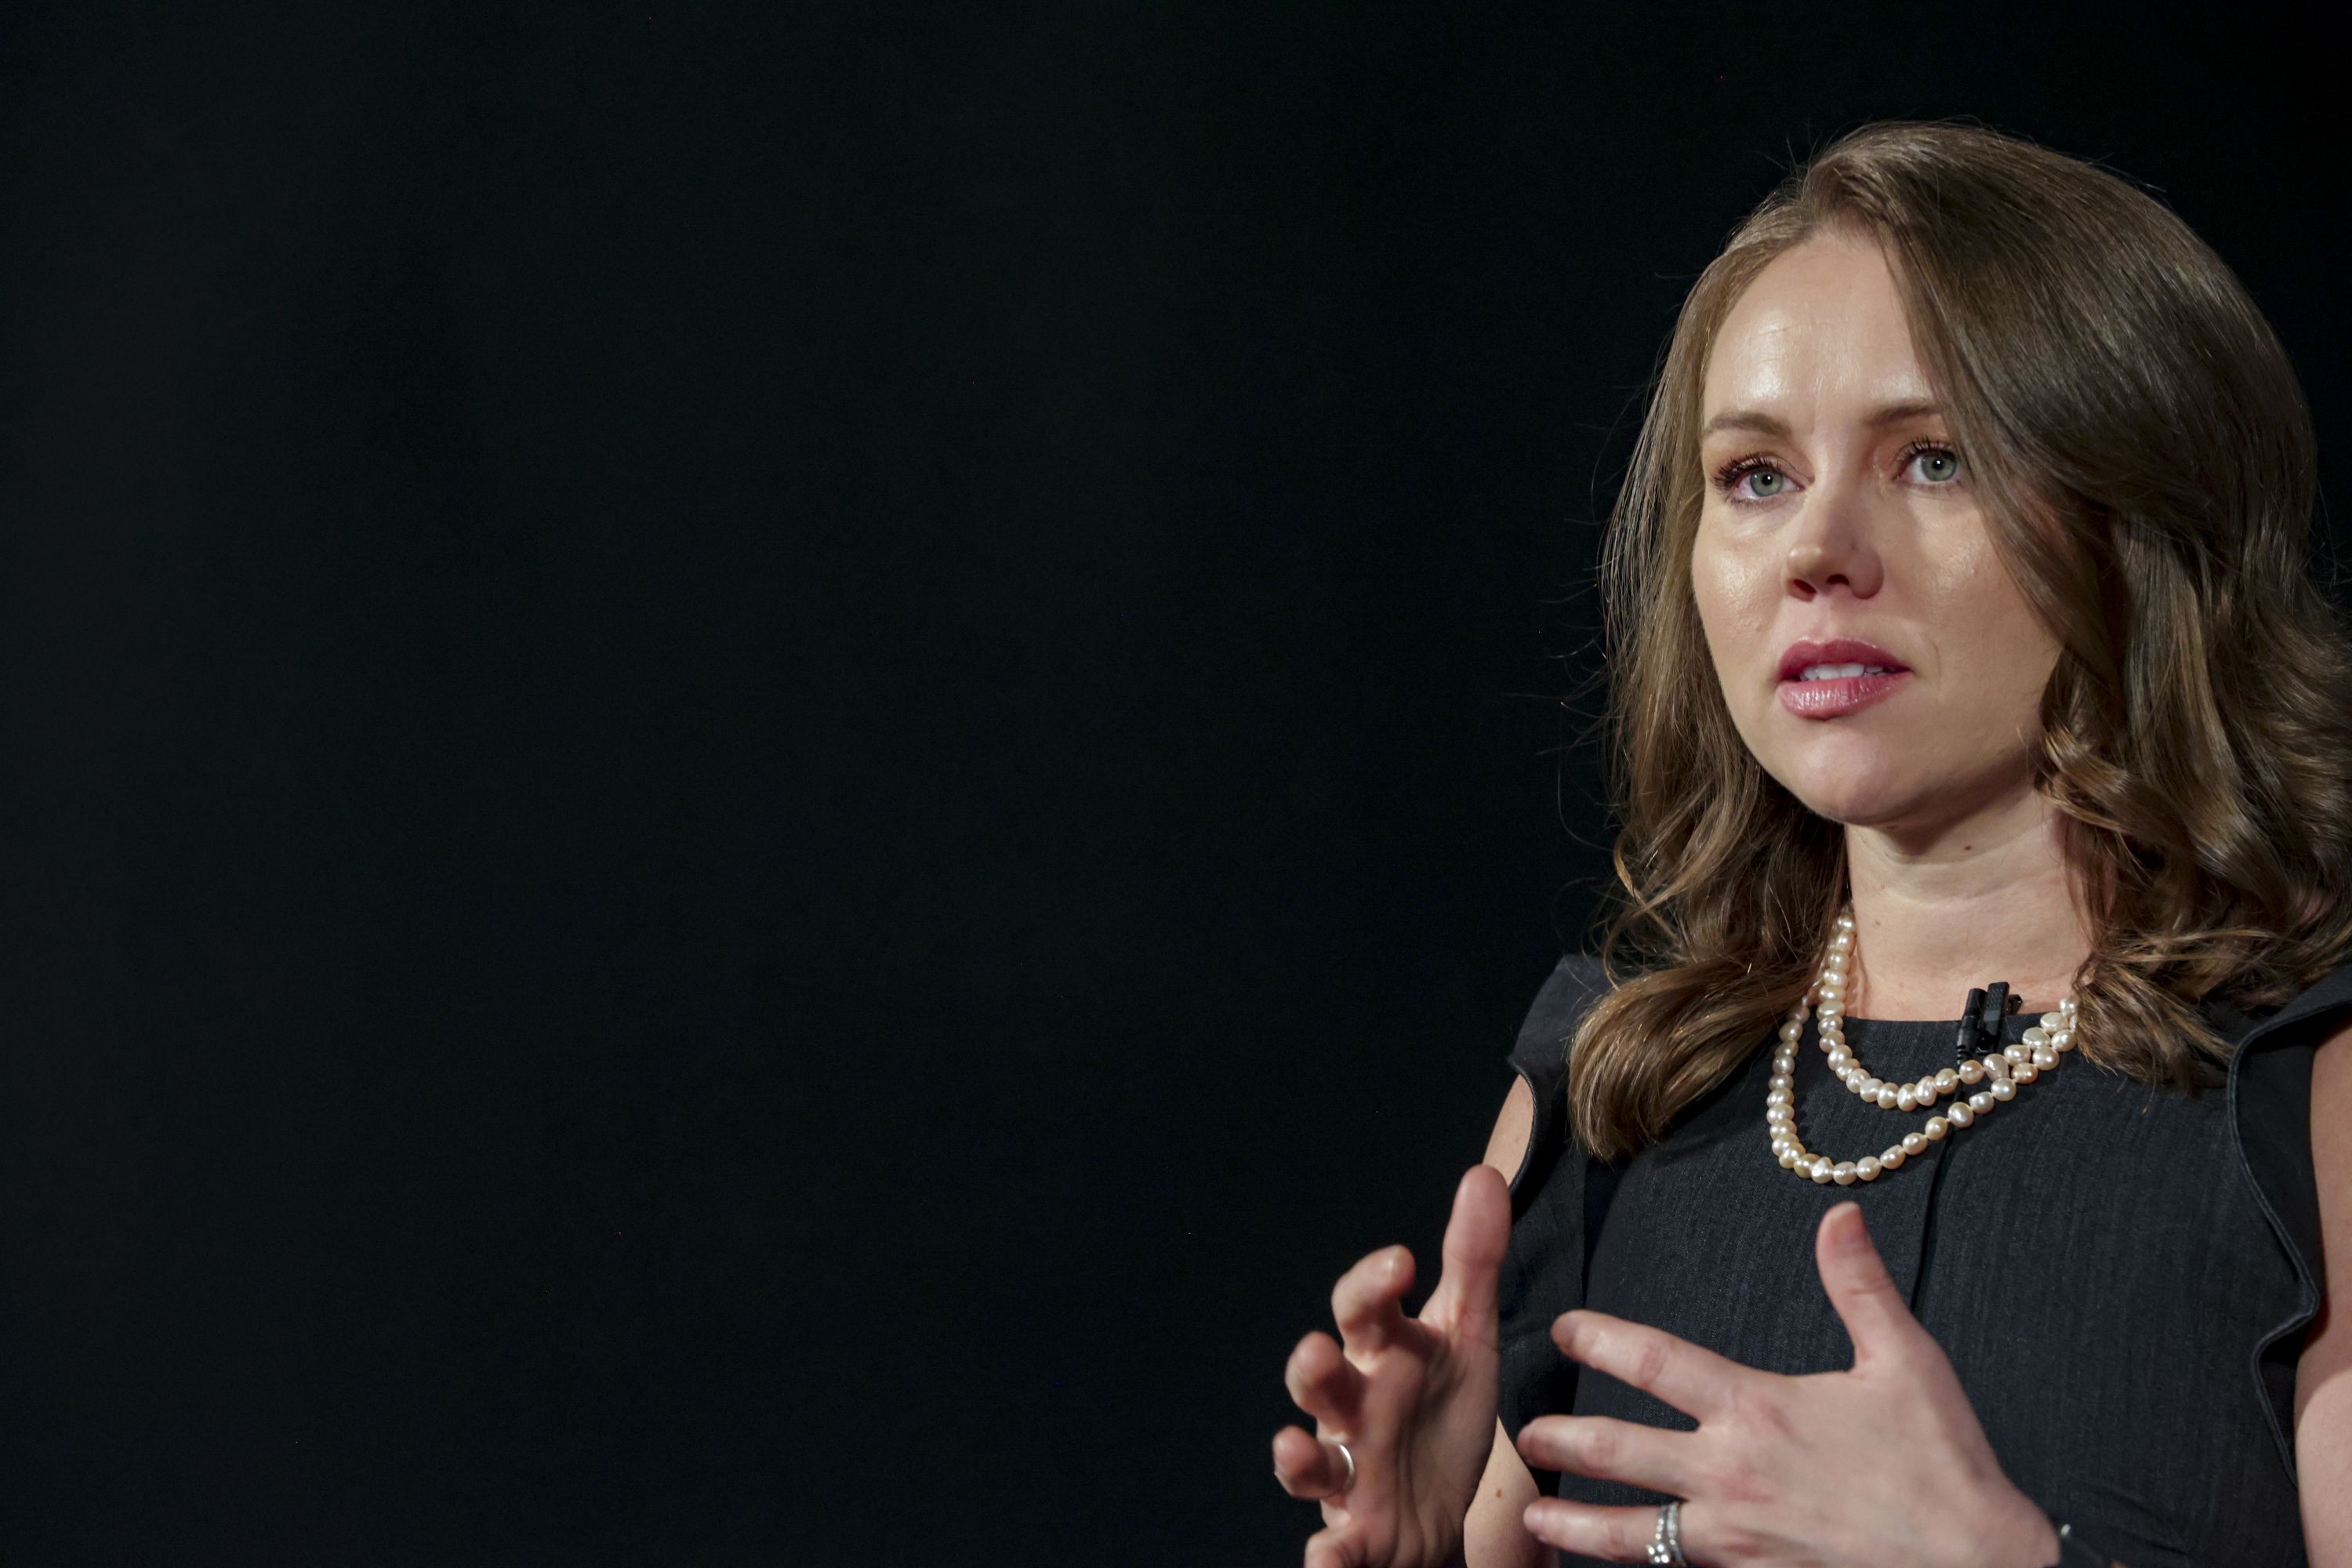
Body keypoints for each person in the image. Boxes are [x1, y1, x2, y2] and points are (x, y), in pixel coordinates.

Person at [1269, 120, 2352, 1568]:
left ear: (2141, 521)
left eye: (1935, 459)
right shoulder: (1610, 1096)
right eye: (1756, 476)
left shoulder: (2314, 1099)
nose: (1818, 549)